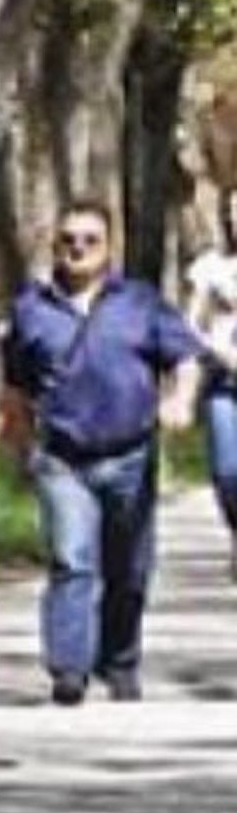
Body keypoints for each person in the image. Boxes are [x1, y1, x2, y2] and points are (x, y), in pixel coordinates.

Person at [0, 199, 203, 706]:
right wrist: (17, 436)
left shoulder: (139, 303)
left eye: (90, 240)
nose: (78, 250)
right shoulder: (31, 309)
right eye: (68, 240)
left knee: (129, 568)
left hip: (130, 453)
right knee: (73, 558)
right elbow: (14, 383)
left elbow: (187, 358)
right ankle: (69, 668)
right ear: (55, 246)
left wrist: (179, 399)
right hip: (62, 455)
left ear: (109, 247)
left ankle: (119, 660)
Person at [183, 190, 237, 577]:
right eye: (234, 212)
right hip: (224, 379)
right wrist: (215, 348)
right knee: (226, 470)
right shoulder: (212, 267)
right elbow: (190, 325)